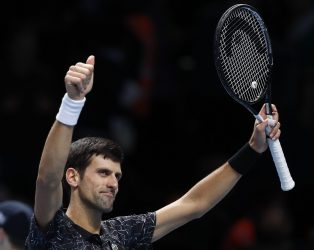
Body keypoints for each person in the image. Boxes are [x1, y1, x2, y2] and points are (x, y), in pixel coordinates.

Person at [25, 55, 281, 249]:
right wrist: (72, 102)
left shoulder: (122, 233)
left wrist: (253, 149)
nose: (113, 182)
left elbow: (194, 204)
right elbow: (47, 179)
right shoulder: (52, 229)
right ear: (73, 177)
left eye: (117, 176)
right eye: (103, 172)